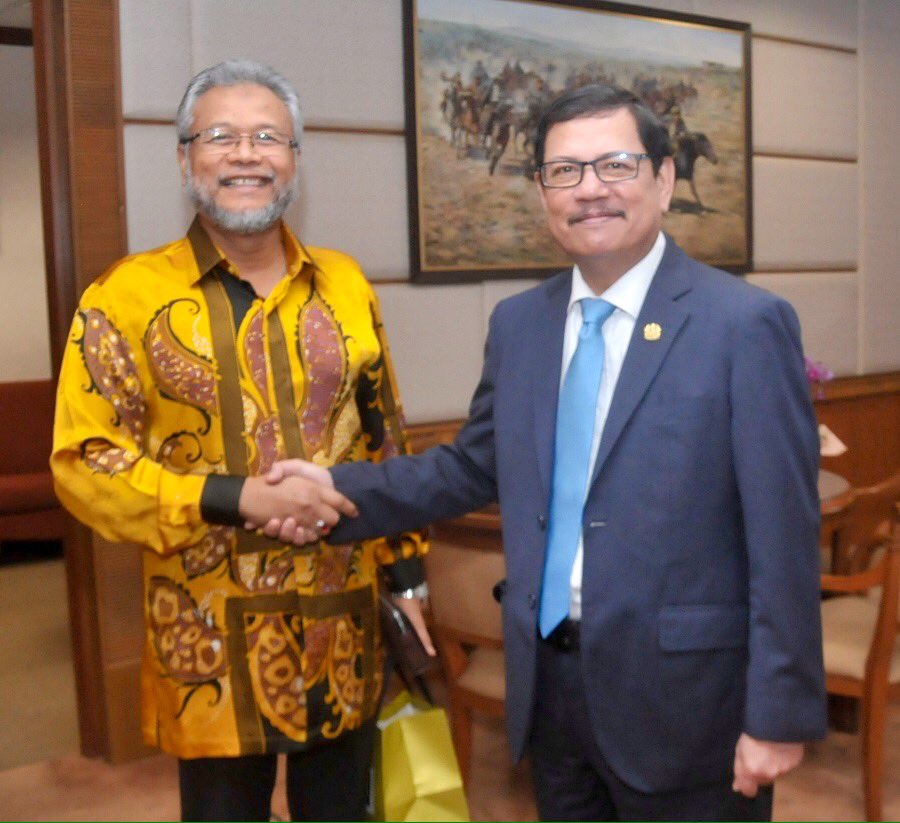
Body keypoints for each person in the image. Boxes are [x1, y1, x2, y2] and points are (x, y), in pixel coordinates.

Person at [257, 84, 828, 821]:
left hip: (686, 699)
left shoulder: (743, 324)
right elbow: (472, 466)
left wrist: (779, 714)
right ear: (542, 193)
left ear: (662, 179)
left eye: (615, 165)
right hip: (550, 686)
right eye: (565, 171)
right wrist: (331, 491)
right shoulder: (522, 324)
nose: (590, 189)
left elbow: (784, 536)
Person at [50, 59, 431, 822]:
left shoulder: (347, 285)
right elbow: (85, 463)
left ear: (295, 157)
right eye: (220, 136)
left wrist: (411, 580)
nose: (247, 154)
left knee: (343, 813)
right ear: (184, 157)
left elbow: (386, 439)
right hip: (207, 638)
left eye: (268, 137)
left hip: (344, 618)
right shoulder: (125, 296)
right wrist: (237, 497)